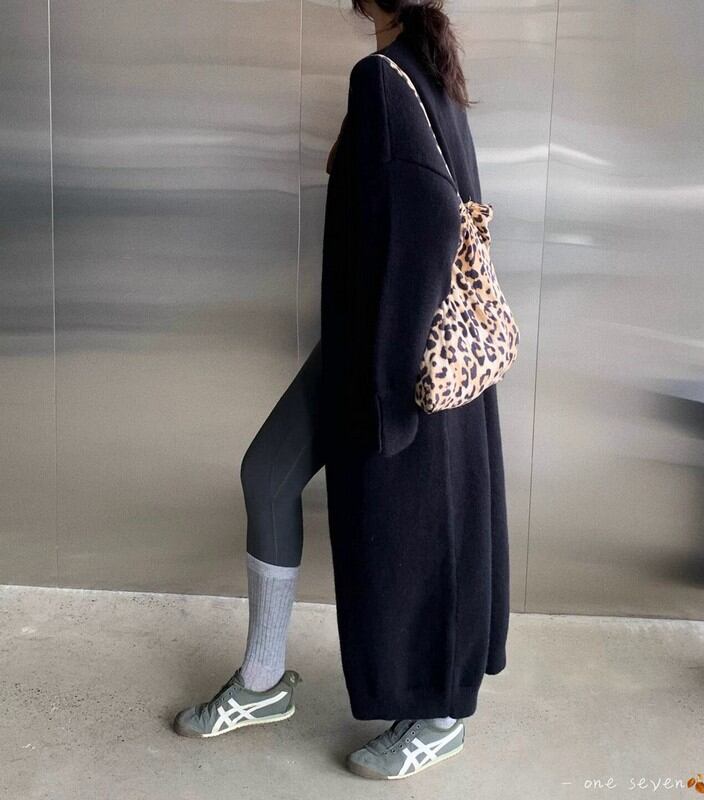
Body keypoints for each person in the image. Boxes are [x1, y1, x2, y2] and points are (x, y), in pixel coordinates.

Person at [172, 0, 510, 781]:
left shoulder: (384, 76)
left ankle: (438, 719)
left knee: (425, 531)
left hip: (405, 357)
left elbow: (433, 220)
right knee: (269, 473)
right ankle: (263, 682)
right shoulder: (424, 72)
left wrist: (390, 373)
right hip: (380, 345)